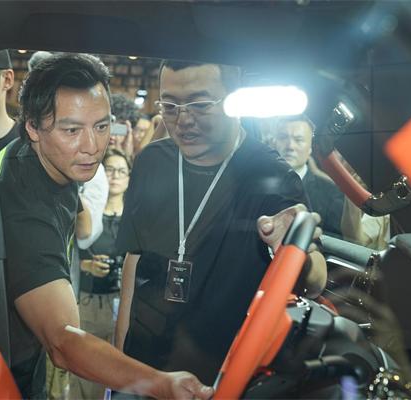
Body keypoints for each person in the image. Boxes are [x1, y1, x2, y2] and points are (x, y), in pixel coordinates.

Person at [0, 53, 213, 400]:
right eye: (72, 130)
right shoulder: (24, 205)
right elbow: (62, 340)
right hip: (0, 373)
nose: (92, 147)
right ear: (33, 127)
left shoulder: (51, 159)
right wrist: (161, 384)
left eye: (101, 126)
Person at [115, 60, 327, 387]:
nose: (183, 120)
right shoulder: (152, 161)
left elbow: (316, 281)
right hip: (144, 369)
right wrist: (119, 363)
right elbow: (134, 259)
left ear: (234, 100)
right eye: (170, 106)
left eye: (200, 105)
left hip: (221, 375)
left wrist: (294, 248)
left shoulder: (271, 176)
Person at [69, 148, 132, 399]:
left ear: (129, 177)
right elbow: (69, 254)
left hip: (123, 304)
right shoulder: (87, 214)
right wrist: (86, 266)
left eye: (121, 171)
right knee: (86, 375)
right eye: (109, 170)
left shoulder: (134, 217)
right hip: (89, 301)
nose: (115, 176)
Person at [272, 115, 345, 238]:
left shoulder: (331, 194)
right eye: (283, 137)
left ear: (311, 147)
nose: (290, 146)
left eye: (299, 140)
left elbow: (334, 242)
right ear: (273, 143)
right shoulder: (253, 184)